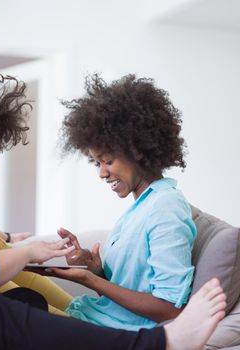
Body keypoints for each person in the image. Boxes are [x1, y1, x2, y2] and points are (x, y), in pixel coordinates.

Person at [0, 74, 226, 350]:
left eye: (107, 159)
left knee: (23, 300)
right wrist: (25, 253)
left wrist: (7, 239)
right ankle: (159, 345)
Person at [44, 73, 199, 331]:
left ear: (137, 150)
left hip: (119, 334)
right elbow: (129, 289)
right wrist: (96, 269)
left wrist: (91, 281)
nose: (102, 173)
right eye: (97, 163)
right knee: (14, 292)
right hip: (99, 319)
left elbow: (170, 309)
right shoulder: (142, 207)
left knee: (1, 310)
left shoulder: (166, 207)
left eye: (108, 161)